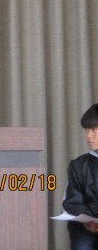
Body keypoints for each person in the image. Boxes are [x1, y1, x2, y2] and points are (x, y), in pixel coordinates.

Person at [63, 103, 98, 250]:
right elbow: (71, 202)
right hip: (85, 227)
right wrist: (89, 221)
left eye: (94, 129)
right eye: (86, 130)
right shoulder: (78, 165)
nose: (88, 136)